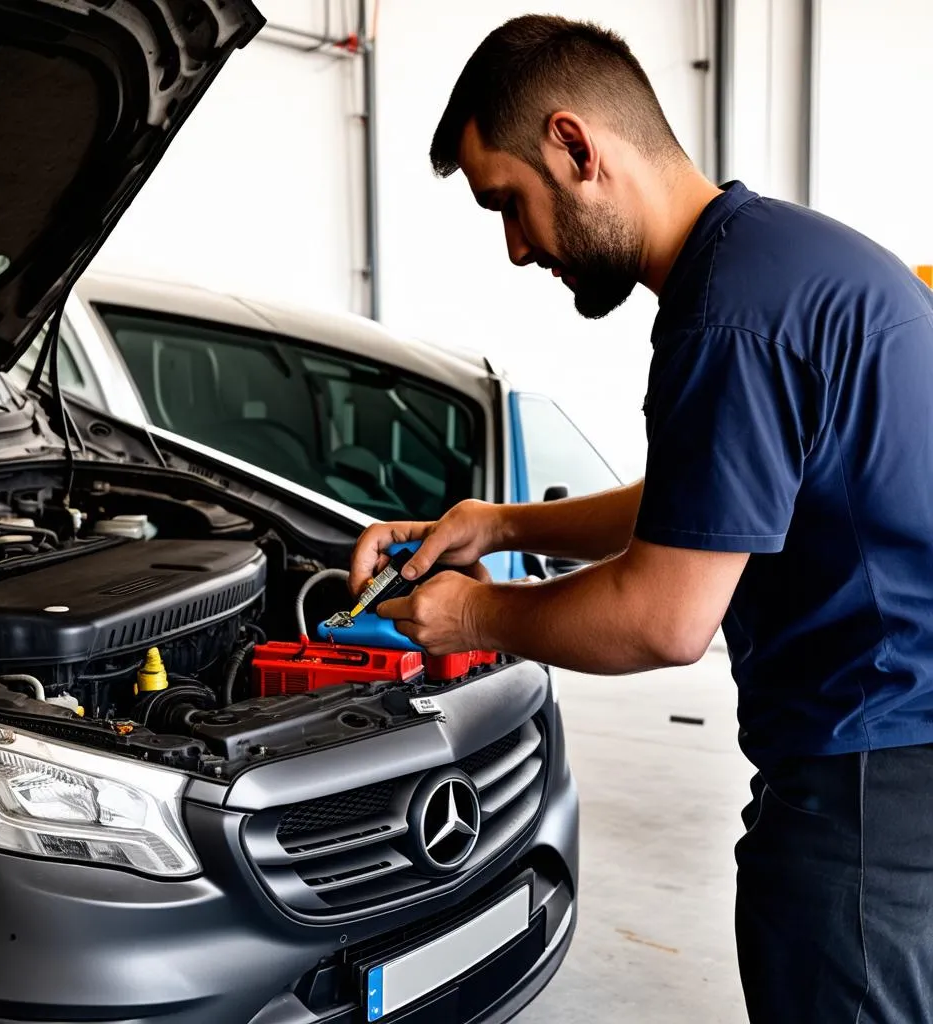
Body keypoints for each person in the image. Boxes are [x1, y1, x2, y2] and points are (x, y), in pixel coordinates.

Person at [348, 14, 933, 1024]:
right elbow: (710, 511)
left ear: (576, 147)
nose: (517, 246)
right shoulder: (785, 262)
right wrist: (500, 525)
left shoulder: (729, 315)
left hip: (866, 790)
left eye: (510, 204)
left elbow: (664, 616)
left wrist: (474, 619)